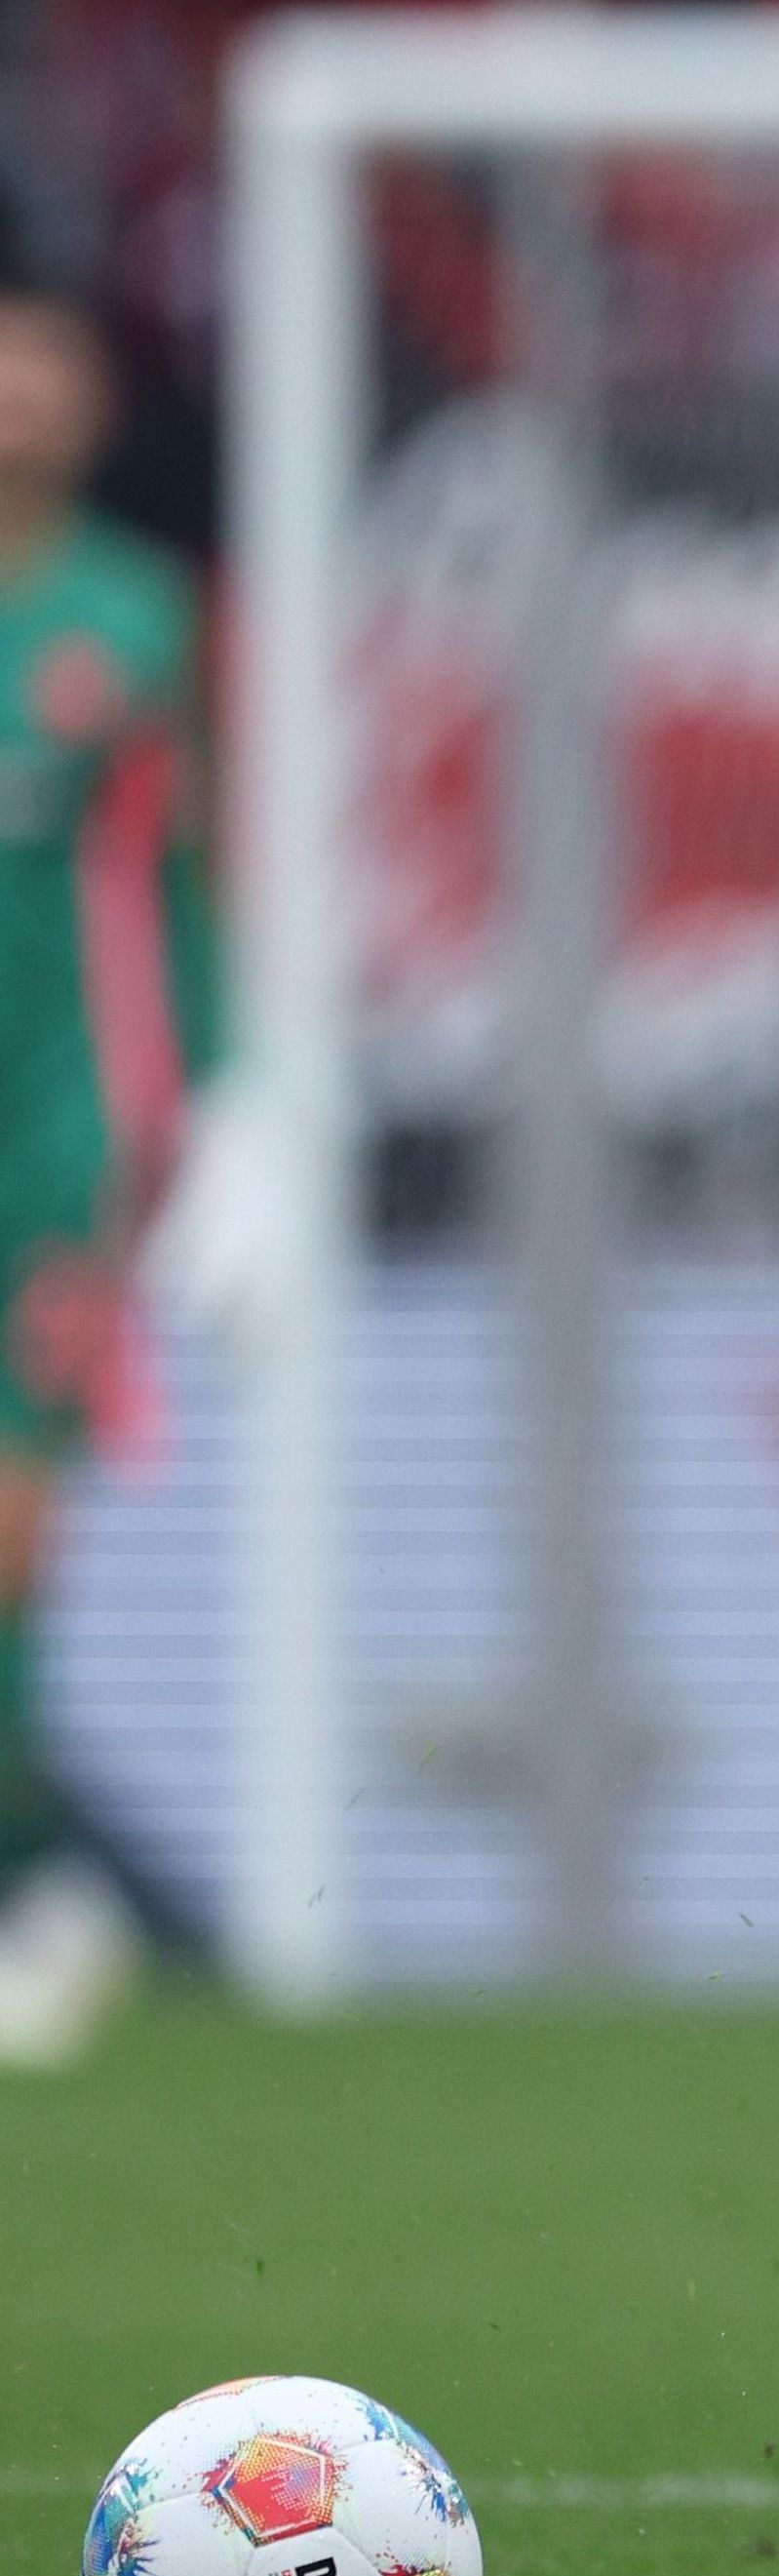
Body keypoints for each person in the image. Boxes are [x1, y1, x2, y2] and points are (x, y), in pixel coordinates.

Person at [0, 282, 221, 2029]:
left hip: (51, 1129)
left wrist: (221, 1098)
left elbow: (171, 885)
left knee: (10, 1518)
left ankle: (24, 1885)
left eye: (47, 362)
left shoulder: (129, 617)